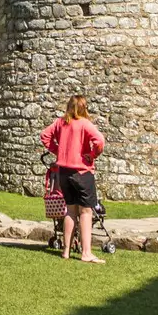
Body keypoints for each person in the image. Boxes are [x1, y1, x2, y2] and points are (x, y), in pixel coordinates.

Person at [42, 94, 106, 264]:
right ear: (84, 108)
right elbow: (100, 140)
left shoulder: (60, 122)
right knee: (86, 212)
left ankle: (66, 251)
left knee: (70, 211)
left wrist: (58, 151)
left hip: (63, 172)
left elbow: (44, 136)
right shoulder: (85, 124)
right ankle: (86, 252)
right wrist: (92, 155)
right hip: (82, 172)